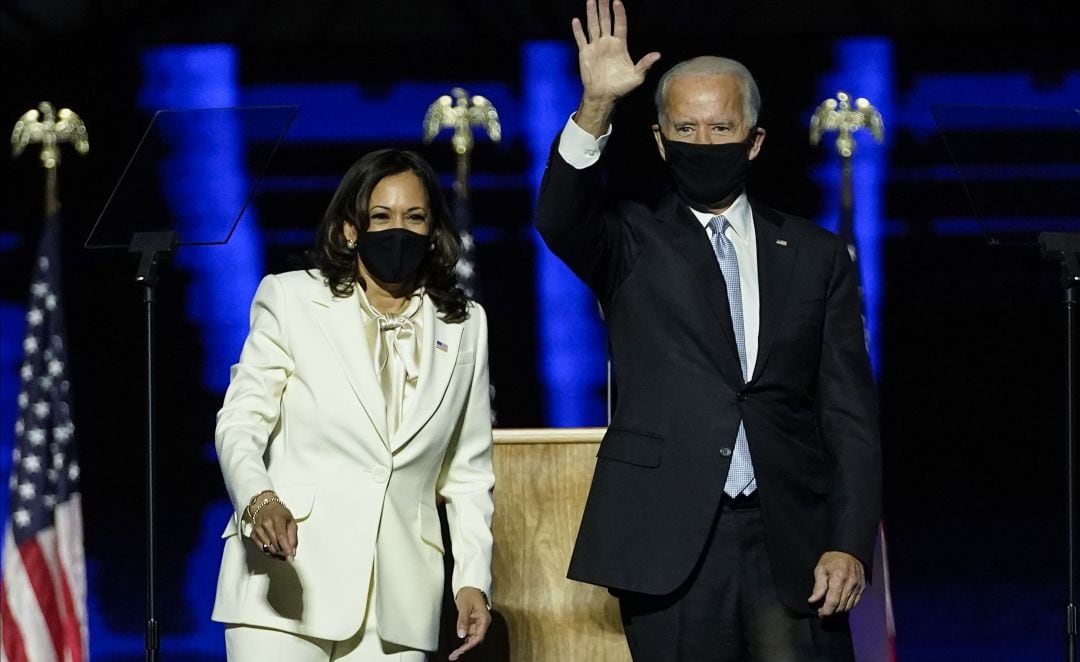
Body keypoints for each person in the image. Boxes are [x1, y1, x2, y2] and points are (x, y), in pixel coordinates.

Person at [535, 1, 882, 660]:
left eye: (720, 127)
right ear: (660, 141)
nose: (702, 143)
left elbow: (849, 414)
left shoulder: (814, 255)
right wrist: (596, 107)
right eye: (684, 129)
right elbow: (559, 217)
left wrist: (849, 539)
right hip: (670, 540)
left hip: (793, 539)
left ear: (754, 141)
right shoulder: (630, 240)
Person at [211, 148, 495, 662]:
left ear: (433, 230)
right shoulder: (292, 299)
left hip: (400, 599)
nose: (398, 230)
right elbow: (240, 421)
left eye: (415, 217)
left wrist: (472, 579)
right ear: (350, 229)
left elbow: (469, 473)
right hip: (286, 583)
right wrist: (259, 499)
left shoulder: (465, 323)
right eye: (381, 217)